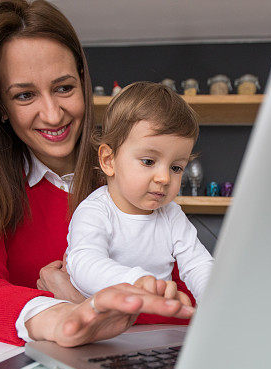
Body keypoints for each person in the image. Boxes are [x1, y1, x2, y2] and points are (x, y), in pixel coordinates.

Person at [0, 0, 194, 348]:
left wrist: (81, 298)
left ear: (83, 81)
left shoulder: (132, 170)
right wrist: (59, 315)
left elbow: (184, 298)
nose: (52, 114)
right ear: (0, 105)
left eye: (64, 88)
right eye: (25, 95)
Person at [66, 82, 214, 306]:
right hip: (102, 326)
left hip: (153, 327)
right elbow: (84, 265)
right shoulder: (95, 211)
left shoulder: (171, 214)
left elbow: (198, 263)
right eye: (148, 161)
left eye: (176, 167)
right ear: (108, 160)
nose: (164, 178)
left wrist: (214, 299)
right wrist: (138, 282)